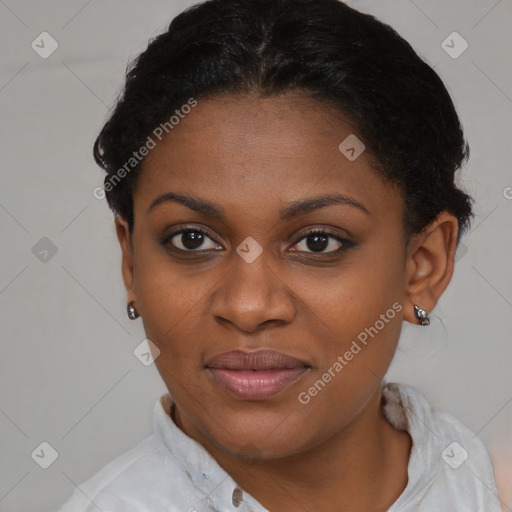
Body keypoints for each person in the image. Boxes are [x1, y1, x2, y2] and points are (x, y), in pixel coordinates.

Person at [58, 0, 502, 510]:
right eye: (192, 239)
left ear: (422, 266)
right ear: (132, 264)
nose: (248, 306)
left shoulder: (487, 484)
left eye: (318, 242)